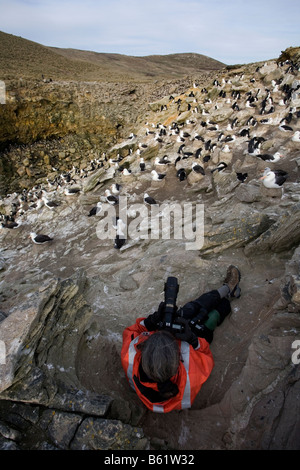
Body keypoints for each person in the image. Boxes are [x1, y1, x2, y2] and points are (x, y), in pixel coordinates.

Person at [121, 265, 241, 413]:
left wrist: (151, 321)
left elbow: (131, 331)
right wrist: (192, 339)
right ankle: (229, 291)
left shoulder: (131, 358)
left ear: (143, 350)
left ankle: (227, 290)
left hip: (166, 360)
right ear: (179, 358)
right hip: (194, 339)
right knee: (210, 315)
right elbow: (206, 356)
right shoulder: (190, 376)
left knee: (190, 310)